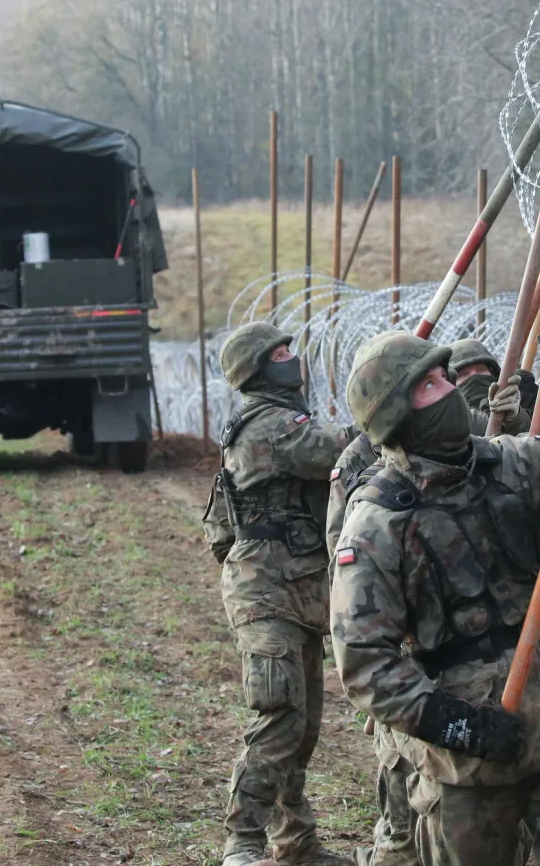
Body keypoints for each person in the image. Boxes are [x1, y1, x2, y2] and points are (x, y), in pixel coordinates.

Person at [330, 326, 540, 866]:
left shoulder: (515, 463)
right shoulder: (376, 524)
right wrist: (462, 727)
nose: (451, 389)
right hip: (465, 769)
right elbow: (365, 665)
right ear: (395, 415)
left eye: (445, 377)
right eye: (430, 385)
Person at [202, 321, 355, 866]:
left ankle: (296, 844)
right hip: (267, 590)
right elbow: (340, 451)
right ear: (260, 369)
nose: (293, 358)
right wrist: (390, 408)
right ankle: (242, 843)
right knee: (279, 716)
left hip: (295, 588)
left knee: (302, 726)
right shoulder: (273, 425)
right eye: (281, 353)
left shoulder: (270, 420)